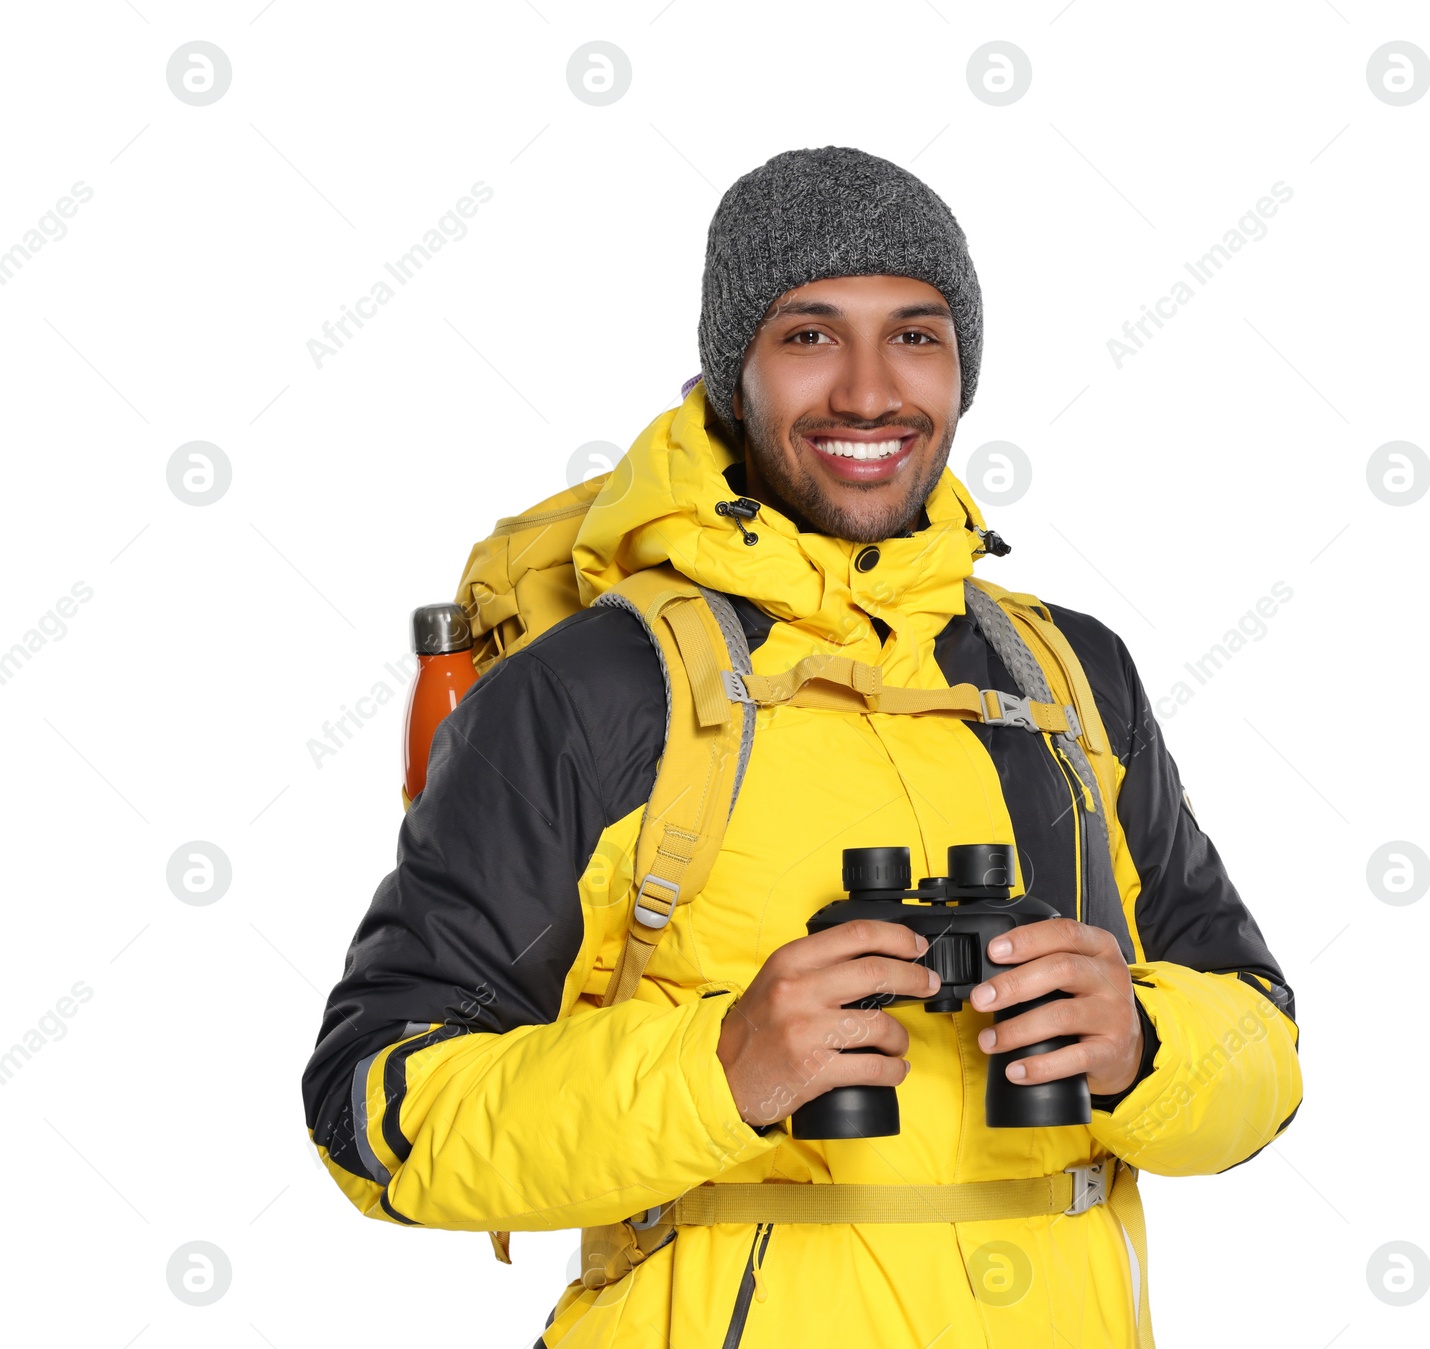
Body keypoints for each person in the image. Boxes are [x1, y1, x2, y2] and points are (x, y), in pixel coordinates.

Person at [301, 145, 1302, 1349]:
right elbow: (374, 1107)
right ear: (733, 374)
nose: (871, 392)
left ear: (963, 370)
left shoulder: (1069, 676)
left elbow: (1263, 1044)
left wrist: (1146, 1043)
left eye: (917, 335)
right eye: (811, 335)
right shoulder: (592, 691)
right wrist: (716, 1070)